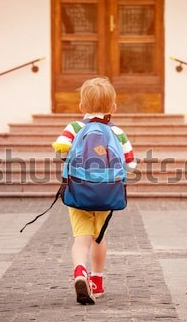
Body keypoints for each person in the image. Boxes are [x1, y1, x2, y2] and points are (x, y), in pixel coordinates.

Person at [52, 77, 136, 305]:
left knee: (81, 239)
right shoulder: (117, 131)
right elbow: (131, 162)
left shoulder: (74, 127)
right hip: (107, 193)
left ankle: (80, 272)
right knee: (99, 238)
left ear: (81, 107)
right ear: (113, 108)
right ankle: (97, 282)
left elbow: (60, 147)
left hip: (78, 191)